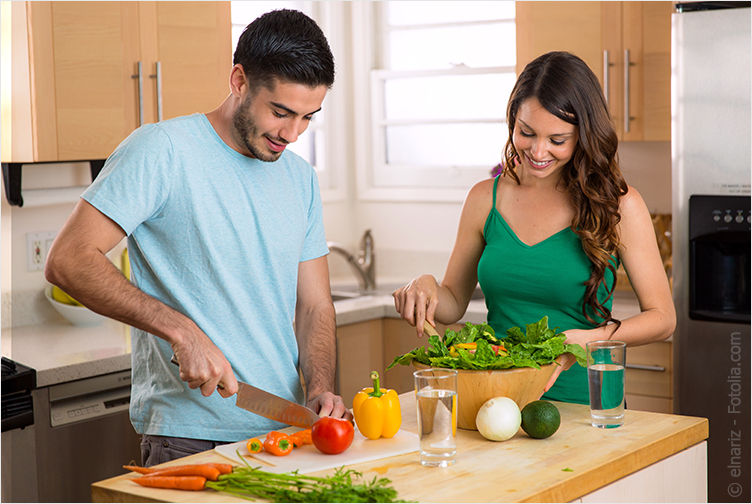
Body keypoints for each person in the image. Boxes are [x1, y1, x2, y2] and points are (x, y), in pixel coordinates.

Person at [45, 9, 352, 466]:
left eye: (308, 117)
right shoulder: (162, 150)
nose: (291, 134)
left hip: (285, 434)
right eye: (281, 112)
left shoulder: (300, 180)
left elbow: (314, 306)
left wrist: (321, 386)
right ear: (239, 80)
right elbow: (68, 260)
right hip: (189, 438)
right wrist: (181, 331)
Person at [392, 51, 676, 405]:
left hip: (585, 403)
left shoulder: (619, 204)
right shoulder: (485, 198)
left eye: (558, 140)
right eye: (526, 132)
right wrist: (427, 287)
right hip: (496, 401)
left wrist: (591, 339)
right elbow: (453, 303)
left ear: (584, 135)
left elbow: (662, 318)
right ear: (513, 120)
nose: (538, 151)